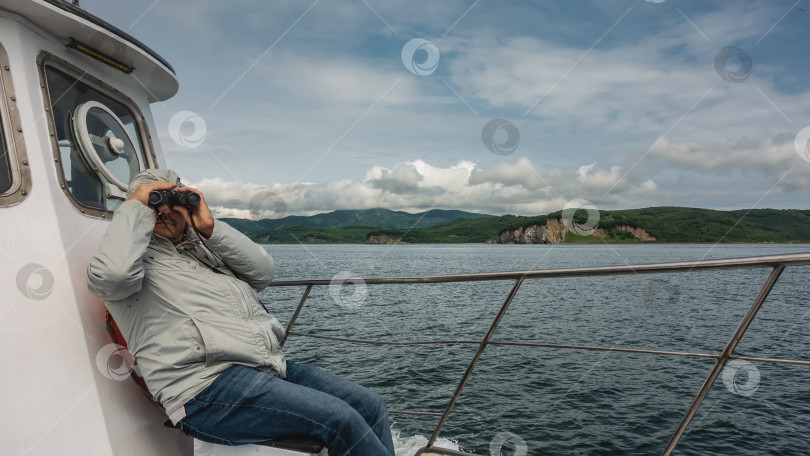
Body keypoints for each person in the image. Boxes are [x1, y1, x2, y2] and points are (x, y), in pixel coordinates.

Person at [86, 168, 396, 456]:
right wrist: (137, 205)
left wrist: (210, 228)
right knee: (339, 419)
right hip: (202, 390)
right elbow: (114, 275)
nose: (164, 209)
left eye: (172, 201)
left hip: (263, 367)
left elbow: (263, 272)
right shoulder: (131, 261)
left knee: (369, 404)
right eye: (154, 204)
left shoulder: (201, 248)